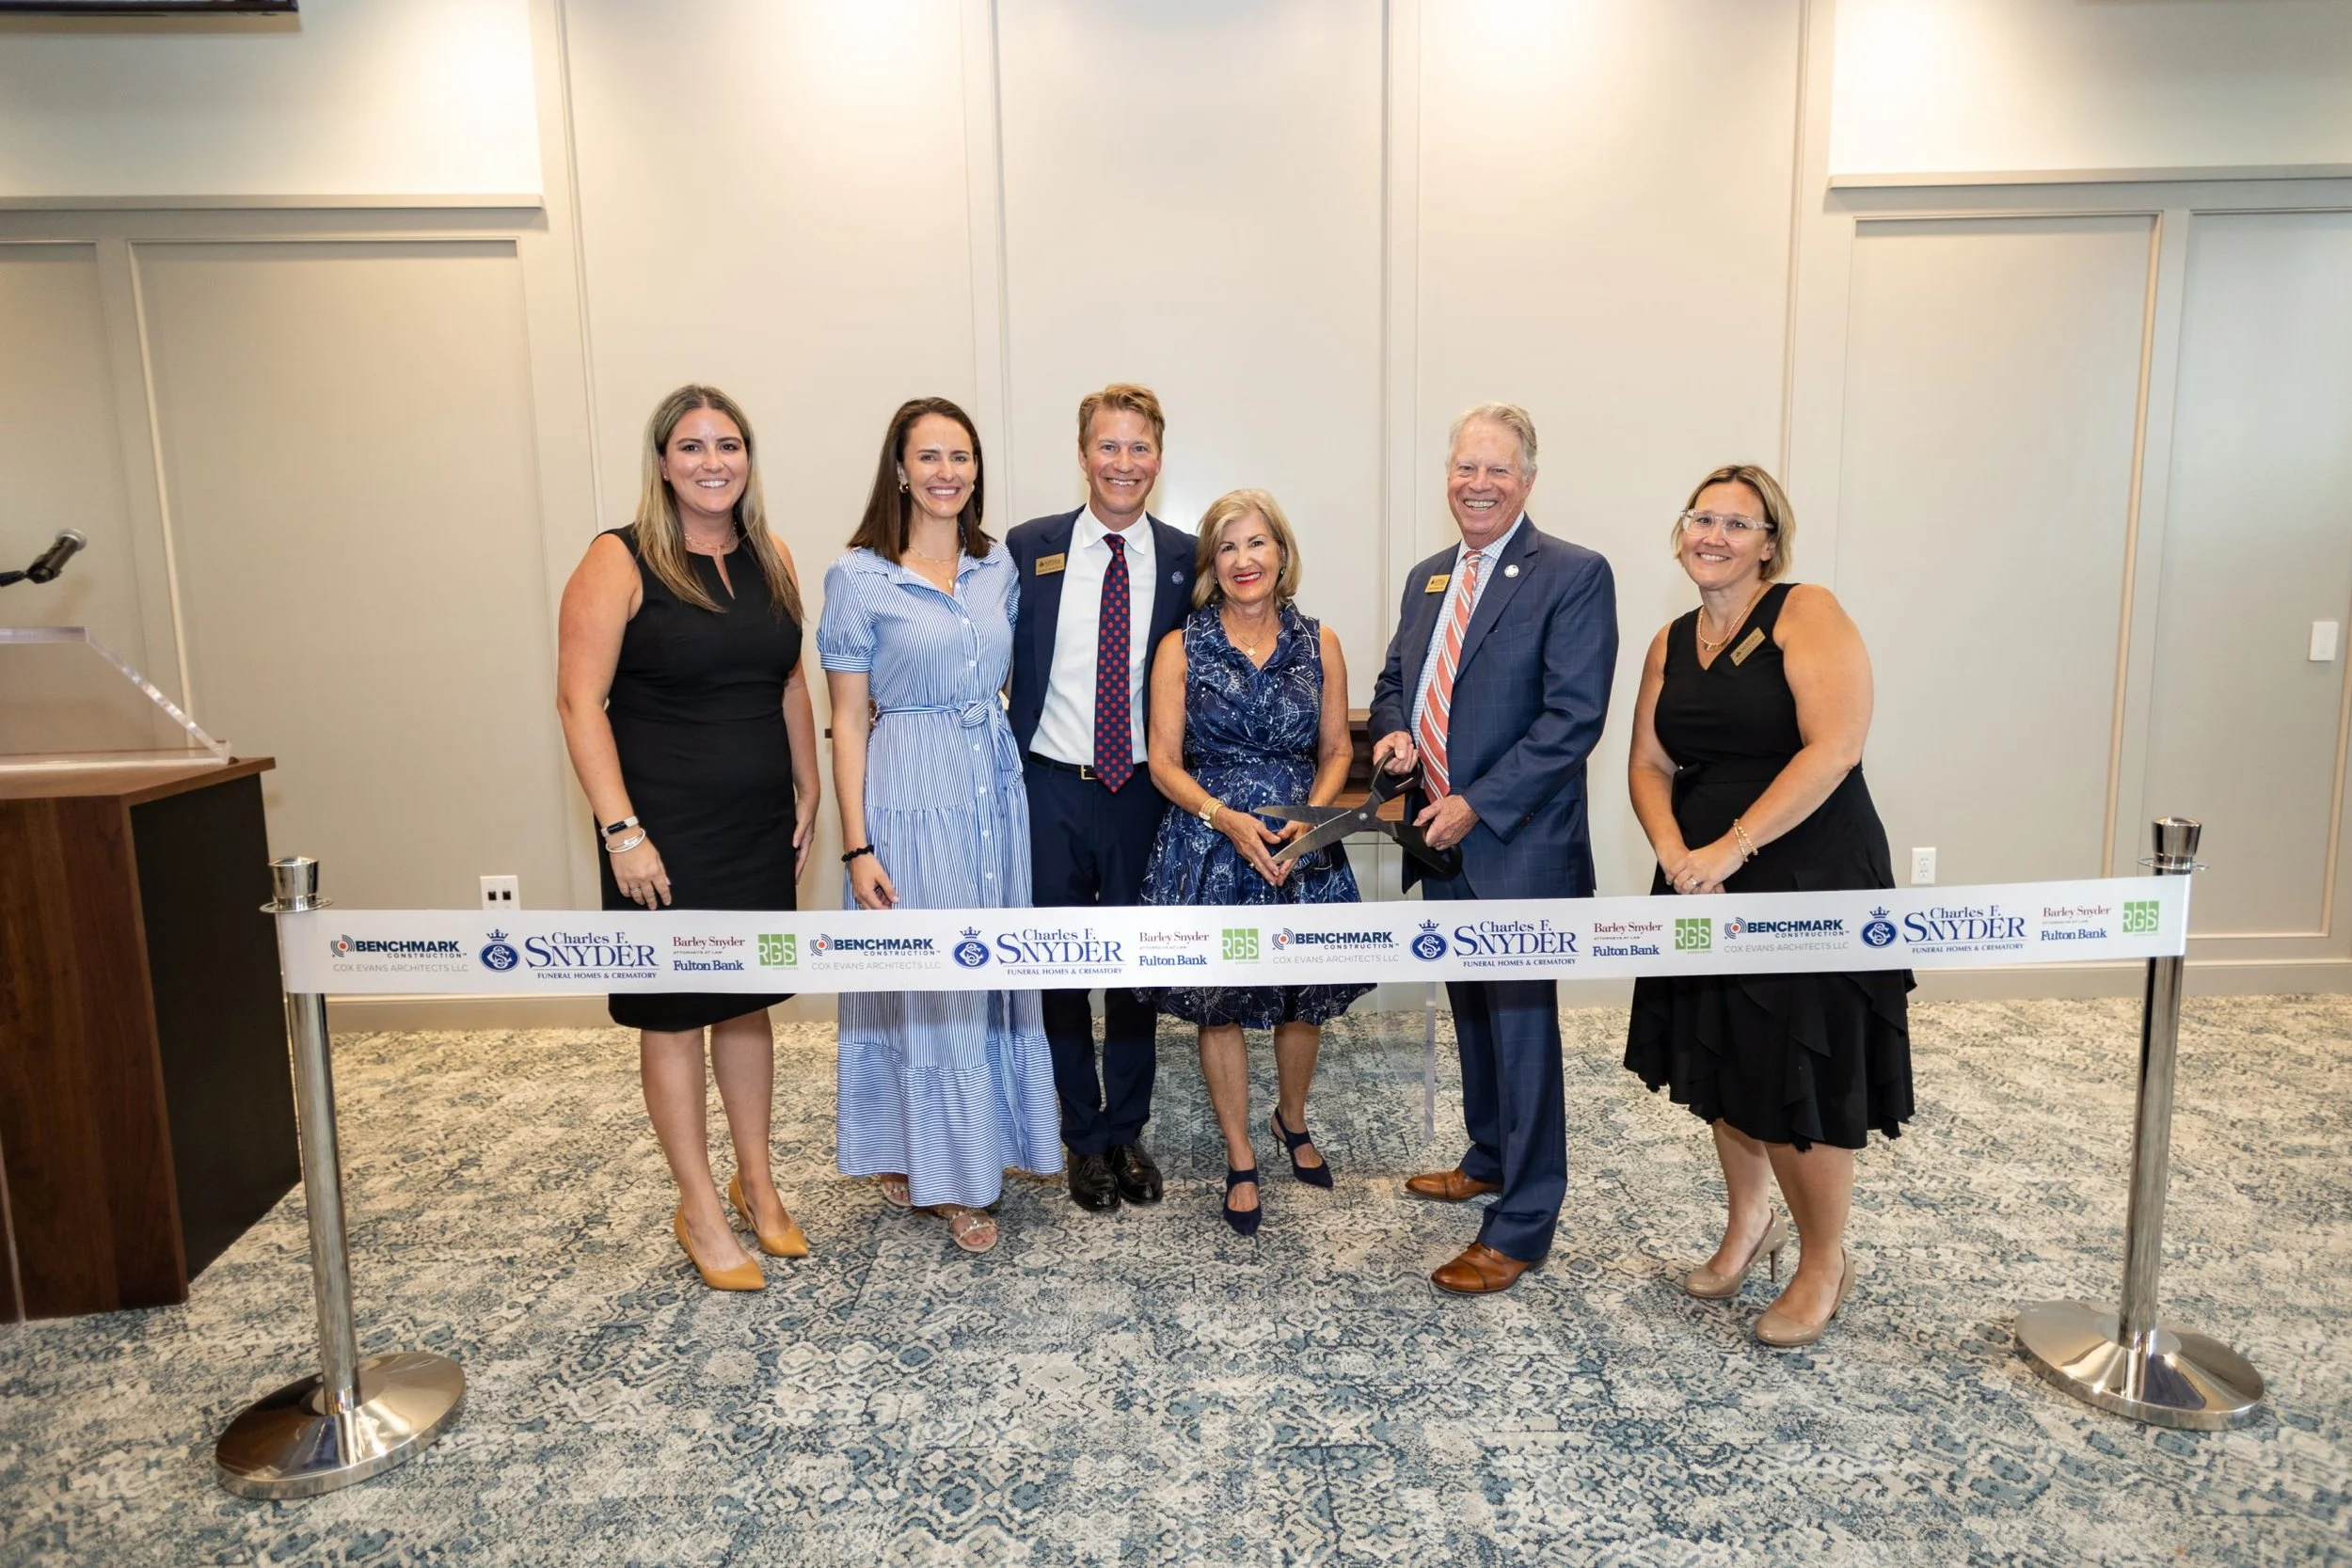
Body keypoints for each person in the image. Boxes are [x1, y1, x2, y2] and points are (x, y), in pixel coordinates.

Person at [1623, 464, 1913, 1348]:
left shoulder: (1805, 611)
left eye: (1736, 524)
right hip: (1700, 871)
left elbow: (1835, 748)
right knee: (1728, 1059)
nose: (1712, 535)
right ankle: (1751, 1223)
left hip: (1805, 868)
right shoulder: (1671, 639)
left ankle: (1825, 1256)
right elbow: (1647, 762)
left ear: (1769, 544)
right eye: (1700, 518)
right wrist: (1673, 848)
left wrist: (1731, 846)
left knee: (1799, 1071)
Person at [556, 384, 818, 1293]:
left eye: (730, 444)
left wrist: (809, 786)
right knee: (674, 1013)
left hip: (756, 822)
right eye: (694, 446)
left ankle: (759, 1183)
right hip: (660, 828)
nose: (715, 462)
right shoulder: (617, 559)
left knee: (745, 1001)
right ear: (662, 461)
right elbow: (577, 700)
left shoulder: (772, 553)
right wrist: (622, 831)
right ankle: (698, 1206)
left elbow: (788, 681)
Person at [1368, 403, 1617, 1296]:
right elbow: (1398, 681)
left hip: (1515, 843)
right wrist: (1396, 738)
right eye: (1465, 467)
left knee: (1520, 1030)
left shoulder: (1573, 574)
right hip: (1441, 838)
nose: (1478, 483)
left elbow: (1572, 720)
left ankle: (1523, 1222)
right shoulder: (1429, 577)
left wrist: (1477, 801)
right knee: (1472, 1009)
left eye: (1497, 470)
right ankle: (1488, 1154)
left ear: (1528, 480)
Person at [819, 396, 1060, 1254]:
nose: (947, 473)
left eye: (962, 457)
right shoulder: (859, 576)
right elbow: (848, 718)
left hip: (994, 791)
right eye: (930, 457)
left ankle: (964, 1146)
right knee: (934, 980)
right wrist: (857, 845)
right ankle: (950, 1179)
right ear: (898, 469)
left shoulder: (998, 568)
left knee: (995, 974)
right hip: (908, 791)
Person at [1137, 490, 1370, 1237]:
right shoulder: (1181, 646)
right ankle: (1240, 1152)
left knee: (1306, 994)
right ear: (1213, 561)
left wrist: (1307, 820)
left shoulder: (1321, 640)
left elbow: (1336, 750)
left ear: (1281, 554)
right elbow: (1165, 764)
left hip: (1301, 845)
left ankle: (1290, 1120)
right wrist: (1223, 817)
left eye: (1258, 543)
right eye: (1229, 546)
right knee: (1222, 999)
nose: (1245, 559)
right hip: (1212, 840)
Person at [1005, 386, 1198, 1213]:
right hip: (1048, 786)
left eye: (1140, 448)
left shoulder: (1188, 556)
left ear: (1159, 456)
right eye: (1108, 447)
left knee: (1135, 969)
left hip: (1139, 795)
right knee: (1058, 968)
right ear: (1083, 455)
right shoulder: (1028, 547)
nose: (1125, 463)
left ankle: (1126, 1128)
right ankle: (1080, 1137)